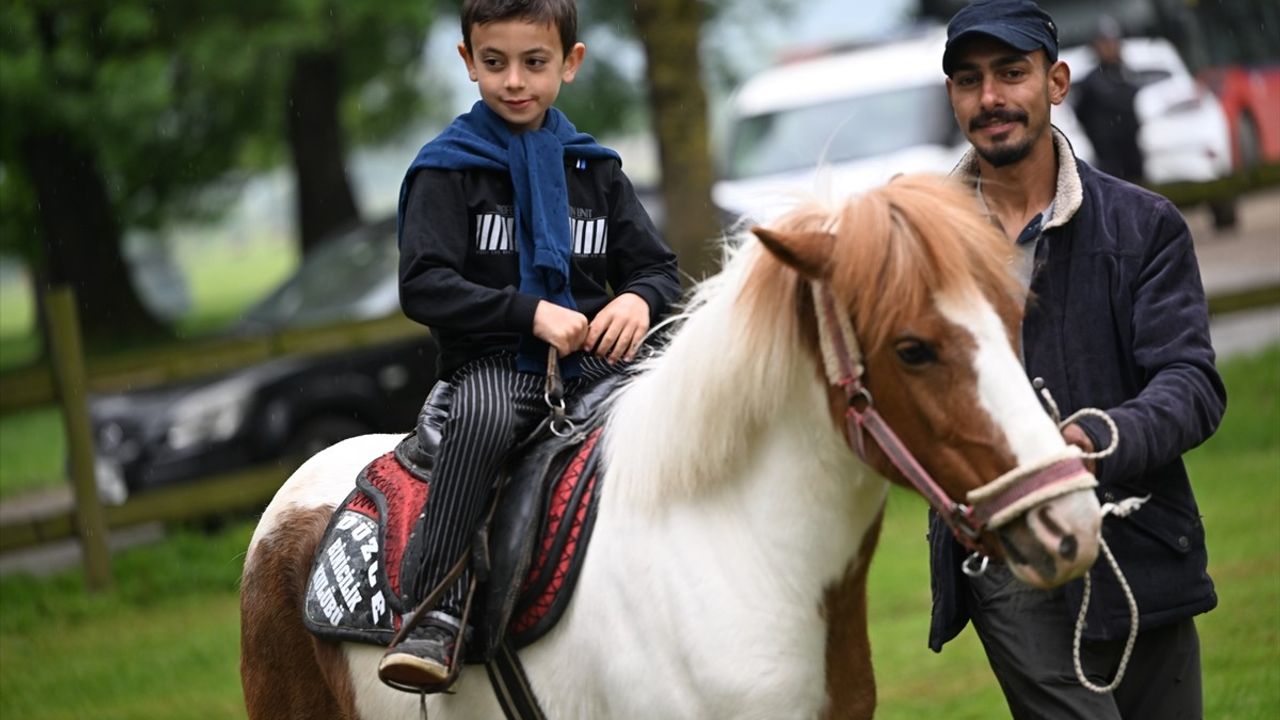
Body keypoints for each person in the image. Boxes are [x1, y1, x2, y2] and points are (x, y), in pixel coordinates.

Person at [929, 1, 1227, 718]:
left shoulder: (1143, 225)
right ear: (953, 97)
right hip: (1002, 557)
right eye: (969, 80)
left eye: (1011, 73)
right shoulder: (921, 242)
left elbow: (1191, 384)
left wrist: (1093, 439)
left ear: (1056, 82)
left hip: (1138, 544)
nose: (990, 97)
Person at [378, 0, 680, 692]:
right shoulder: (447, 170)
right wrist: (529, 313)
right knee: (483, 418)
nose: (514, 80)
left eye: (534, 62)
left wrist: (637, 299)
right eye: (495, 62)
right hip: (492, 366)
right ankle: (434, 607)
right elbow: (423, 286)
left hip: (594, 363)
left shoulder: (594, 169)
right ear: (468, 61)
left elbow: (657, 268)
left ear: (570, 63)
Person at [1073, 16, 1145, 183]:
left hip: (1132, 151)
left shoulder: (1127, 75)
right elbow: (1081, 114)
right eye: (1105, 43)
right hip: (1108, 157)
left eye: (1113, 42)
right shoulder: (1091, 82)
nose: (1110, 47)